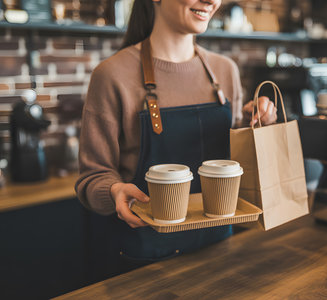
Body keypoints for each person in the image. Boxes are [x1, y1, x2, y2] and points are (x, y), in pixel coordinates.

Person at [75, 0, 277, 267]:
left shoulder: (225, 70)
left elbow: (235, 161)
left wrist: (258, 123)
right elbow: (92, 178)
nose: (211, 1)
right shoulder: (112, 75)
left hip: (221, 252)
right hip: (145, 259)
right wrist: (113, 190)